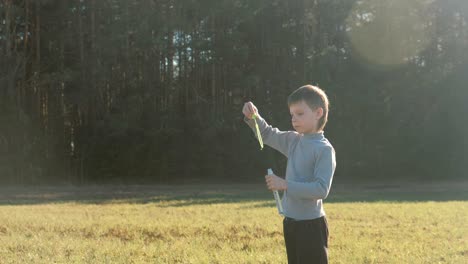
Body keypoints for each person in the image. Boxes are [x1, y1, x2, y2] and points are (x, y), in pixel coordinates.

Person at [242, 84, 337, 264]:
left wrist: (285, 184)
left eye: (300, 114)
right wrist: (253, 117)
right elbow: (268, 133)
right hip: (291, 222)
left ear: (318, 113)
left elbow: (321, 189)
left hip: (311, 226)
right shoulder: (293, 140)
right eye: (292, 114)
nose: (294, 119)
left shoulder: (324, 150)